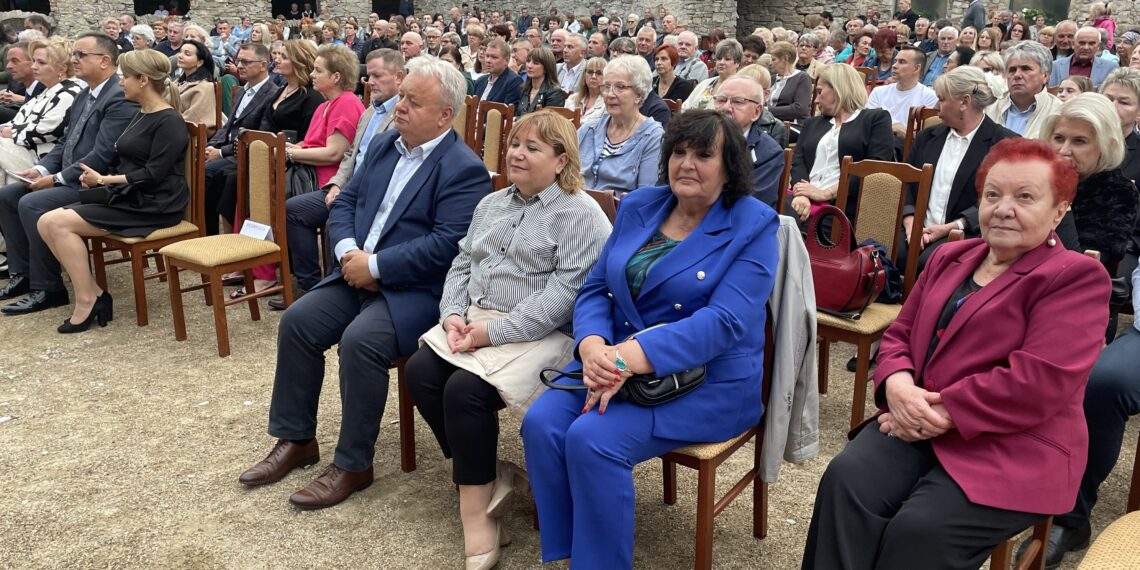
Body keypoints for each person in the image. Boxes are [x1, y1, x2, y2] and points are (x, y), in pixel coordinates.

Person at [521, 109, 780, 569]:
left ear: (730, 166)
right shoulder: (642, 203)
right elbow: (598, 286)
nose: (686, 163)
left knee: (592, 440)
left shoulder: (754, 224)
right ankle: (570, 549)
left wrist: (625, 359)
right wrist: (592, 346)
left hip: (705, 381)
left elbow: (725, 323)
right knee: (541, 425)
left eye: (703, 154)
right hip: (611, 358)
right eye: (679, 152)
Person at [236, 56, 489, 510]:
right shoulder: (386, 144)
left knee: (360, 343)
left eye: (413, 101)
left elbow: (448, 246)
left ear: (445, 115)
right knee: (297, 322)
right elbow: (346, 200)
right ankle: (297, 439)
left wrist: (376, 267)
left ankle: (353, 463)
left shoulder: (463, 168)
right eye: (402, 97)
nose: (399, 107)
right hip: (354, 270)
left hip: (413, 293)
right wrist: (347, 254)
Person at [405, 110, 610, 569]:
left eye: (533, 148)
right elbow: (462, 264)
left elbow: (565, 295)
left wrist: (490, 332)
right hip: (477, 320)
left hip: (543, 333)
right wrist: (453, 315)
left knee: (465, 393)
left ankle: (475, 515)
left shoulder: (579, 214)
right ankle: (487, 475)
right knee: (419, 372)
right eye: (515, 143)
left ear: (561, 161)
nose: (517, 153)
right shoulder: (492, 204)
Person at [34, 48, 187, 333]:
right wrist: (98, 178)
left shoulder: (169, 120)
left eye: (124, 77)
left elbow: (153, 174)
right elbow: (125, 158)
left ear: (142, 80)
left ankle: (88, 299)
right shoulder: (142, 113)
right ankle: (93, 294)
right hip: (130, 197)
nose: (120, 83)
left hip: (155, 204)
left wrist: (106, 180)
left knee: (56, 223)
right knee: (46, 222)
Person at [0, 32, 139, 314]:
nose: (74, 59)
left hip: (99, 183)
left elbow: (103, 156)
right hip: (74, 175)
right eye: (74, 54)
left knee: (32, 203)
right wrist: (41, 168)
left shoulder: (119, 97)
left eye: (80, 55)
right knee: (9, 195)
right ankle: (23, 274)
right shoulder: (87, 92)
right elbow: (67, 141)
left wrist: (56, 179)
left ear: (104, 61)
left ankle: (48, 288)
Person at [273, 48, 404, 310]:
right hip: (346, 186)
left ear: (399, 77)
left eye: (378, 76)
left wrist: (345, 191)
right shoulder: (370, 112)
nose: (371, 82)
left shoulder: (401, 114)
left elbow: (386, 167)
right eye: (369, 76)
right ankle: (311, 285)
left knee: (337, 216)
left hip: (371, 193)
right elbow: (350, 156)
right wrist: (337, 184)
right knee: (293, 210)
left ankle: (337, 289)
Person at [903, 66, 1018, 269]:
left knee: (928, 262)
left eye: (942, 99)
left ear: (965, 102)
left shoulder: (1004, 143)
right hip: (915, 230)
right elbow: (907, 184)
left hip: (968, 233)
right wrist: (911, 223)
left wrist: (952, 227)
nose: (936, 106)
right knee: (878, 255)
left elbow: (1002, 199)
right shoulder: (927, 137)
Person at [1039, 93, 1139, 269]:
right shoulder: (1036, 176)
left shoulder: (1118, 193)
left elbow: (1080, 269)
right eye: (1059, 138)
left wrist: (1061, 201)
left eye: (1079, 141)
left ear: (1106, 146)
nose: (1064, 150)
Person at [788, 64, 894, 223]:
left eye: (819, 91)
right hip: (802, 200)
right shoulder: (812, 123)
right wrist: (802, 194)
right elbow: (799, 161)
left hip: (842, 206)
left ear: (838, 89)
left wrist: (826, 193)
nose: (816, 100)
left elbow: (875, 166)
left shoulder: (875, 119)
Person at [201, 43, 281, 236]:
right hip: (229, 149)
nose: (240, 65)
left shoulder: (272, 93)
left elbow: (258, 137)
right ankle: (202, 232)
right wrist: (211, 146)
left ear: (263, 65)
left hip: (245, 154)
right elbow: (228, 127)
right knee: (197, 163)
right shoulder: (243, 90)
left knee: (205, 173)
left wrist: (220, 153)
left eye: (246, 61)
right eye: (239, 61)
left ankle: (209, 235)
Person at [577, 55, 663, 196]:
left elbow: (644, 198)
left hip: (617, 214)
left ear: (639, 95)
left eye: (620, 87)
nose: (610, 94)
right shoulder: (589, 128)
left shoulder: (653, 137)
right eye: (606, 87)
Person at [0, 38, 82, 186]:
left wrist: (10, 132)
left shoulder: (70, 92)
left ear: (62, 68)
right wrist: (4, 129)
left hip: (43, 159)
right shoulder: (46, 91)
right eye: (34, 61)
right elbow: (17, 121)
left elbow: (48, 129)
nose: (34, 67)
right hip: (21, 149)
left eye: (41, 63)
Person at [713, 75, 783, 207]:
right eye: (721, 100)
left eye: (738, 101)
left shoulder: (768, 152)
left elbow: (754, 205)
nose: (726, 107)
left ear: (756, 112)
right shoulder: (697, 139)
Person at [985, 41, 1061, 138]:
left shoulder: (1058, 113)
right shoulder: (989, 109)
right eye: (1012, 70)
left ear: (1045, 76)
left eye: (1026, 69)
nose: (1017, 75)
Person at [866, 46, 938, 138]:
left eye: (902, 62)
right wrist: (894, 127)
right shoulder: (878, 92)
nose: (894, 66)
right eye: (895, 61)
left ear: (916, 68)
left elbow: (922, 133)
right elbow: (868, 123)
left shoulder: (930, 96)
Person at [1049, 26, 1119, 89]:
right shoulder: (1055, 66)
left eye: (1091, 44)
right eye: (1081, 43)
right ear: (1073, 44)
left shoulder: (1110, 68)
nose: (1086, 47)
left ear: (1098, 46)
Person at [173, 40, 217, 136]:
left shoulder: (205, 87)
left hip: (188, 139)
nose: (180, 56)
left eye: (187, 54)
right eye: (180, 52)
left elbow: (195, 120)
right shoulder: (177, 82)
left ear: (200, 62)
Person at [684, 39, 742, 110]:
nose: (721, 62)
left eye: (727, 59)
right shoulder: (705, 84)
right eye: (719, 59)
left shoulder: (741, 88)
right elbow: (685, 107)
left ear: (737, 63)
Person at [767, 41, 812, 122]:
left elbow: (800, 109)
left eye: (774, 59)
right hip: (770, 123)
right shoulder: (772, 78)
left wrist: (767, 111)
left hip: (792, 125)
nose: (771, 63)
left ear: (785, 59)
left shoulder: (802, 77)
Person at [515, 47, 564, 117]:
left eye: (536, 63)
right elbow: (517, 113)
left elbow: (548, 122)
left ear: (547, 68)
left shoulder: (554, 93)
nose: (529, 66)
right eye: (528, 61)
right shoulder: (523, 89)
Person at [474, 39, 522, 104]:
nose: (488, 60)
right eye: (487, 56)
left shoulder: (513, 81)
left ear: (506, 61)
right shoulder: (480, 81)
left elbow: (507, 111)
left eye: (494, 57)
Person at [565, 56, 605, 126]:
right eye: (590, 72)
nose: (593, 76)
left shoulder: (607, 103)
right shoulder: (572, 99)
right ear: (584, 75)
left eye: (599, 73)